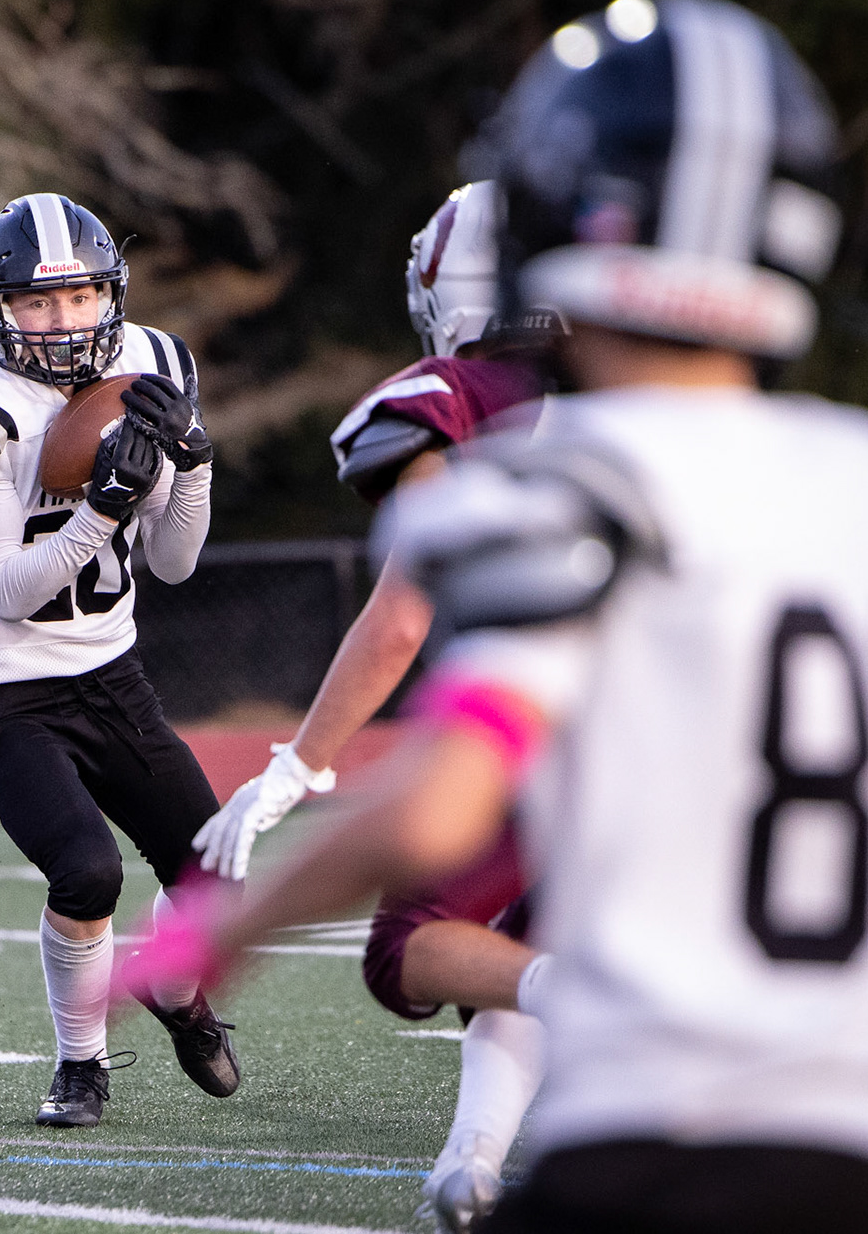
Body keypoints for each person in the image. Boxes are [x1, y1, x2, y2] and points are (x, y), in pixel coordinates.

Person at [128, 0, 868, 1234]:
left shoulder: (548, 478)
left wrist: (227, 924)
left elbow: (450, 796)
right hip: (862, 1158)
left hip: (648, 1139)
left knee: (413, 951)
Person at [196, 180, 561, 1232]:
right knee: (528, 949)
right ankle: (469, 1160)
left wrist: (297, 766)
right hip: (727, 722)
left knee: (414, 942)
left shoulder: (462, 395)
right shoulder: (665, 394)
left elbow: (398, 618)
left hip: (561, 723)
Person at [0, 192, 234, 1129]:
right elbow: (6, 587)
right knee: (86, 871)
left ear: (110, 294)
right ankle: (80, 1065)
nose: (61, 321)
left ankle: (170, 988)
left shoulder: (155, 363)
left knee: (213, 872)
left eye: (79, 298)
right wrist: (103, 509)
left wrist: (190, 469)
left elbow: (173, 561)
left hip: (107, 671)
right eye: (36, 304)